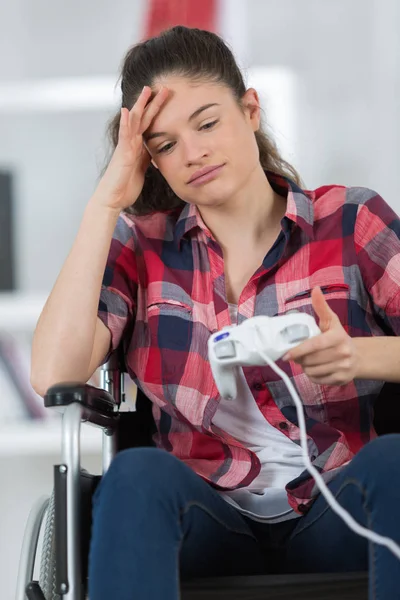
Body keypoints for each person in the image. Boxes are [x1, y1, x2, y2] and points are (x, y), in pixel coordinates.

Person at [31, 25, 400, 600]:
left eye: (206, 123)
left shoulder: (350, 221)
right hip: (206, 519)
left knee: (396, 461)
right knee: (133, 477)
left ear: (250, 109)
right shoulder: (141, 247)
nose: (193, 153)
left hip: (336, 506)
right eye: (165, 144)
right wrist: (106, 203)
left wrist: (359, 355)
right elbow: (53, 374)